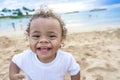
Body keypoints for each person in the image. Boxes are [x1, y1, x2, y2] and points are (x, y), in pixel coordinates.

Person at [9, 5, 80, 80]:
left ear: (61, 39)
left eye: (51, 36)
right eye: (36, 36)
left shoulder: (67, 59)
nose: (43, 40)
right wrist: (13, 75)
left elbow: (75, 71)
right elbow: (15, 61)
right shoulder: (25, 57)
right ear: (28, 38)